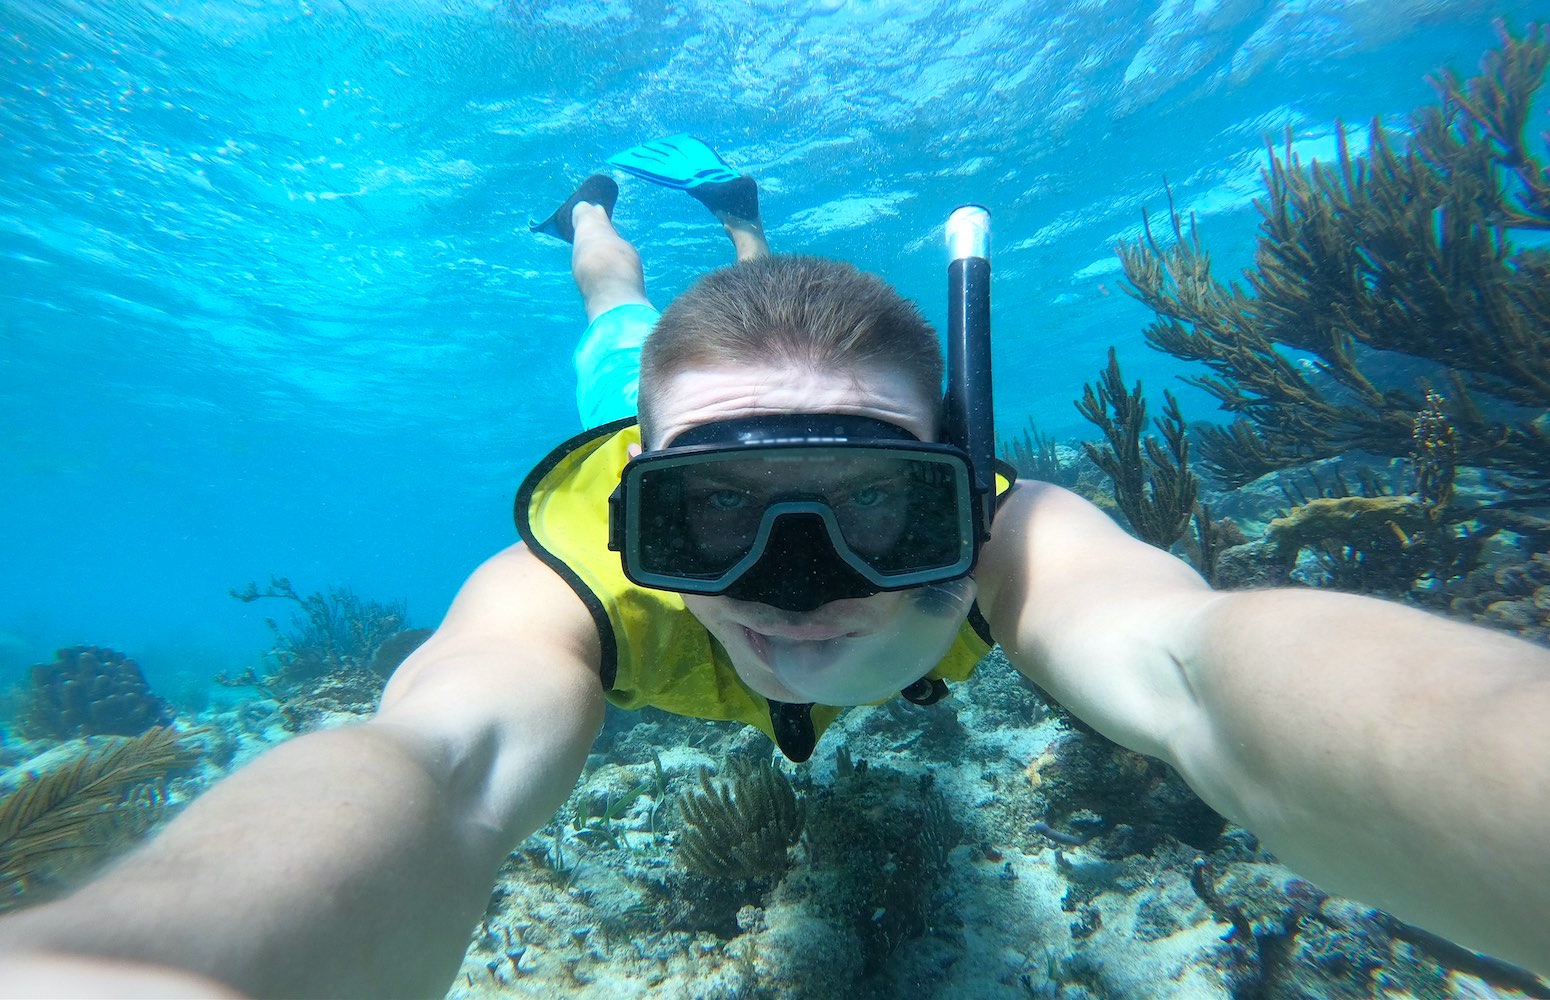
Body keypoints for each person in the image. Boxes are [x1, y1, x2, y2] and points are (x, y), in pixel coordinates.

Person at [1, 137, 1547, 997]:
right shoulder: (581, 562)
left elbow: (1197, 663)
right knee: (615, 312)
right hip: (640, 391)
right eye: (710, 523)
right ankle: (594, 211)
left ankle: (743, 227)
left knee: (756, 304)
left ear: (955, 486)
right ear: (638, 523)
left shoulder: (1010, 536)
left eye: (879, 513)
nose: (795, 584)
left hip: (739, 419)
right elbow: (437, 763)